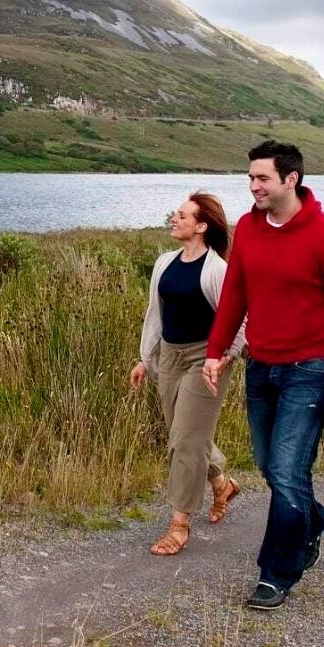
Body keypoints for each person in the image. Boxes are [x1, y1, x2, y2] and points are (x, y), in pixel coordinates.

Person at [202, 140, 324, 610]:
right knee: (270, 467)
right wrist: (216, 352)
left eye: (262, 178)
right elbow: (235, 294)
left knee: (286, 469)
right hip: (262, 367)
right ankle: (311, 520)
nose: (253, 186)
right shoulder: (250, 231)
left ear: (290, 180)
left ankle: (277, 573)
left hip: (312, 370)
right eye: (251, 177)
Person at [129, 191, 246, 556]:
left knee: (185, 441)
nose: (174, 219)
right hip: (169, 357)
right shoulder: (165, 263)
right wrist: (145, 360)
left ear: (201, 225)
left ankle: (179, 524)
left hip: (205, 360)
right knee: (183, 434)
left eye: (182, 215)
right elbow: (155, 317)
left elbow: (240, 319)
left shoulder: (218, 270)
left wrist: (225, 356)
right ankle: (222, 483)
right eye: (176, 214)